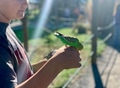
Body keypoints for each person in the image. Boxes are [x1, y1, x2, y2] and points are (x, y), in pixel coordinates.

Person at [0, 0, 82, 88]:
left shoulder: (5, 26)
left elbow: (19, 73)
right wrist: (56, 65)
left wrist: (48, 62)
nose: (26, 3)